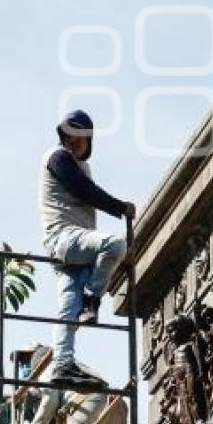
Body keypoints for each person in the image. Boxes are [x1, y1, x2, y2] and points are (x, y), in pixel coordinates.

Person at [38, 109, 135, 385]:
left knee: (68, 308)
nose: (74, 141)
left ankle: (63, 364)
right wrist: (121, 208)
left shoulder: (81, 167)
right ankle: (93, 300)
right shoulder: (57, 158)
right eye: (71, 135)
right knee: (115, 245)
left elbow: (85, 189)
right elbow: (84, 190)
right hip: (64, 238)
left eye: (80, 137)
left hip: (75, 246)